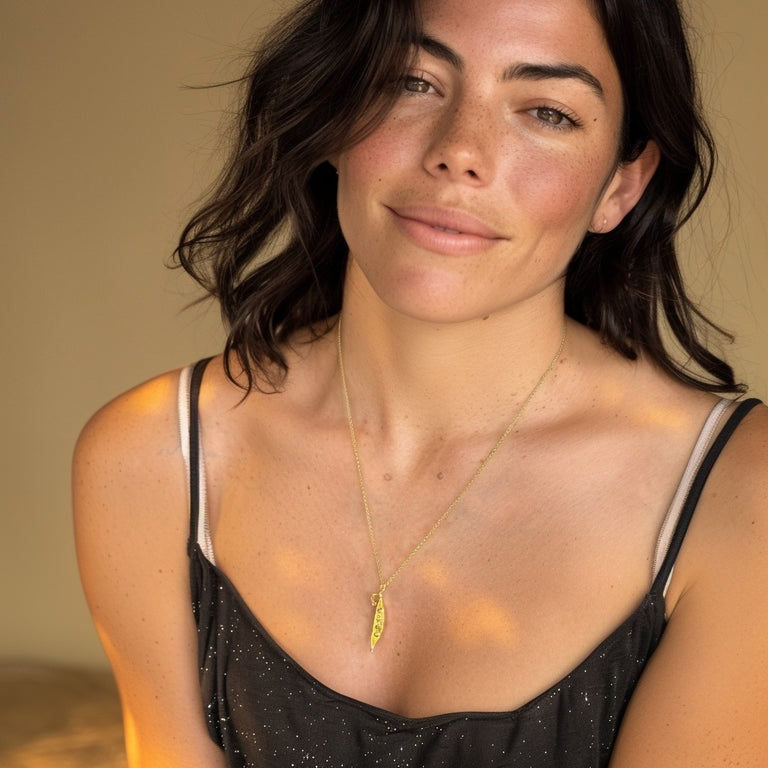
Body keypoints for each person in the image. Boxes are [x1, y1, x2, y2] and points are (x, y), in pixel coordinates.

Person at [73, 0, 768, 765]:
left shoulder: (741, 495)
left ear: (622, 185)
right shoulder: (151, 460)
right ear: (335, 110)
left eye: (546, 112)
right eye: (412, 81)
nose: (460, 152)